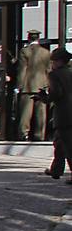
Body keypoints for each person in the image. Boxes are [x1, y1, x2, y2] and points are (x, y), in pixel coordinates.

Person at [41, 47, 71, 182]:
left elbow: (56, 94)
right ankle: (56, 169)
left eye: (53, 61)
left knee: (68, 145)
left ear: (58, 61)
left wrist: (43, 97)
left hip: (64, 114)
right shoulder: (70, 73)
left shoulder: (55, 74)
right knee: (59, 142)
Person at [15, 30, 51, 141]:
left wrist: (19, 86)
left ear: (29, 38)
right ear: (38, 39)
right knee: (41, 113)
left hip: (27, 86)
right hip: (42, 85)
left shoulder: (24, 52)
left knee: (26, 113)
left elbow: (22, 70)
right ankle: (40, 135)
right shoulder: (46, 52)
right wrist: (48, 85)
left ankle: (24, 134)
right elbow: (48, 70)